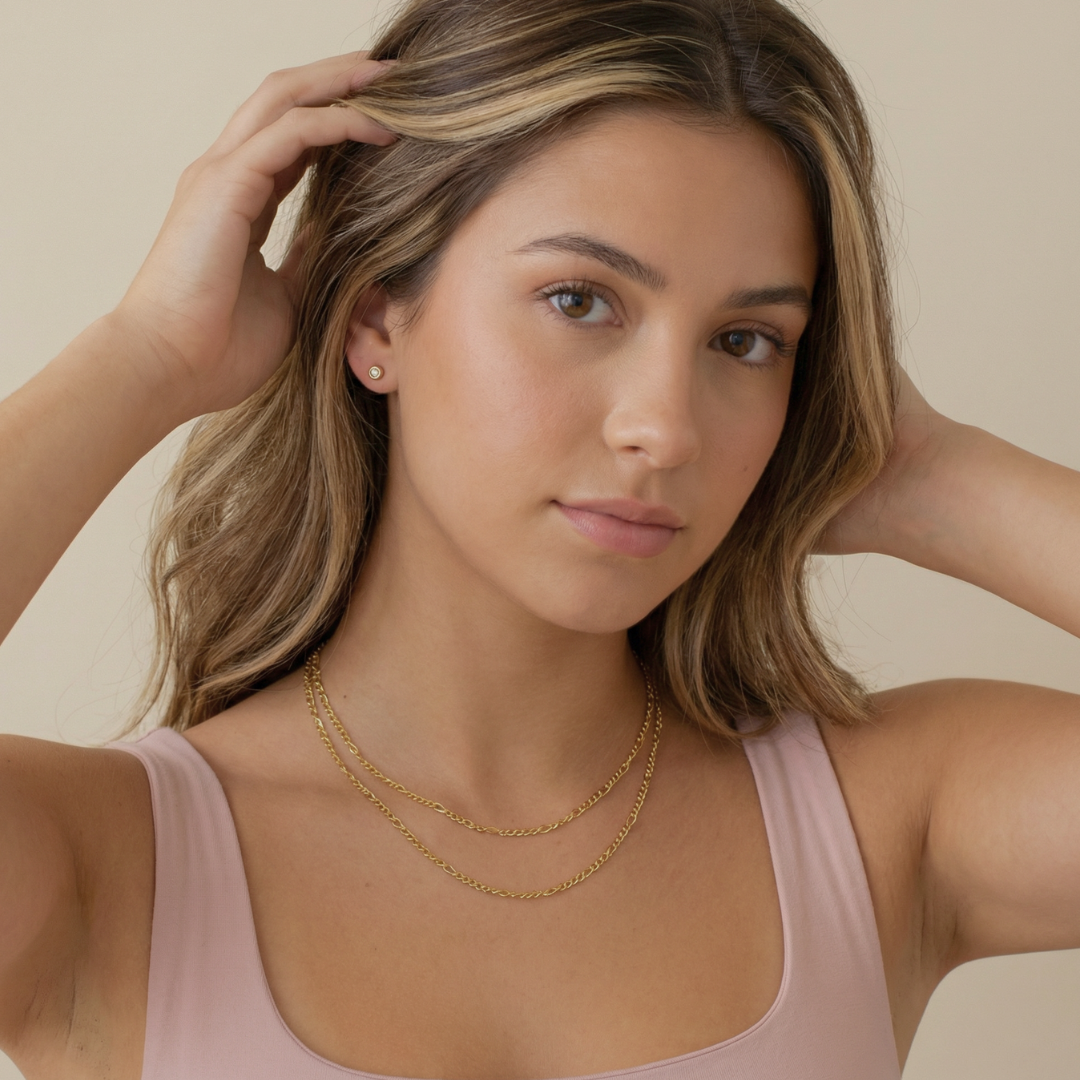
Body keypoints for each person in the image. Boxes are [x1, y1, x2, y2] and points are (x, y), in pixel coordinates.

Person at [0, 0, 1078, 1077]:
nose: (666, 426)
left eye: (745, 341)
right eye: (579, 299)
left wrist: (929, 475)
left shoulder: (885, 823)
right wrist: (146, 358)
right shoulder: (104, 867)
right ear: (378, 316)